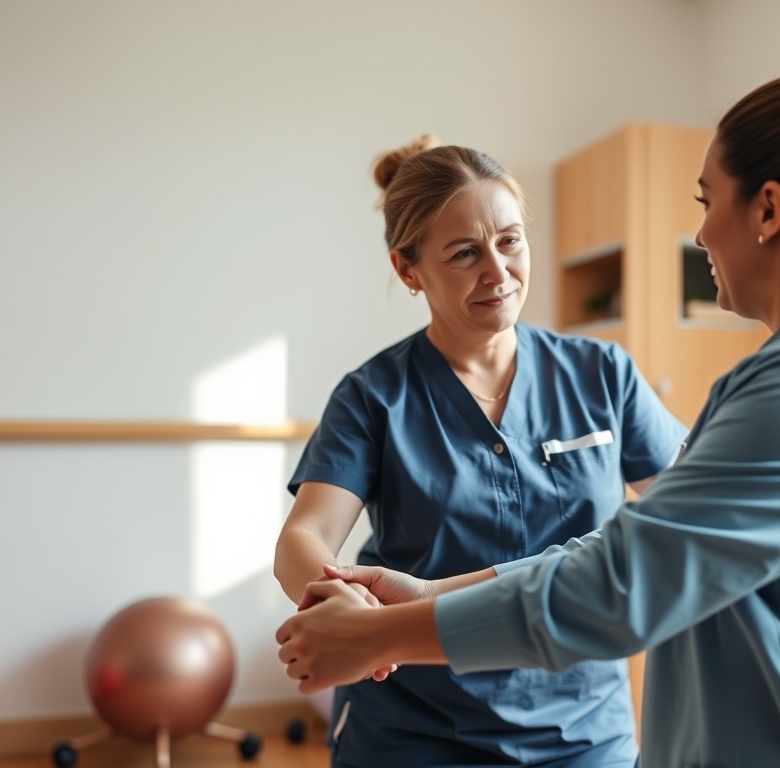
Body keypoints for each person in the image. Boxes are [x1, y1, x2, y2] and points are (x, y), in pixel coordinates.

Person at [277, 51, 780, 768]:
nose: (700, 234)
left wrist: (380, 635)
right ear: (409, 268)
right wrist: (425, 595)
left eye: (706, 202)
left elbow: (622, 580)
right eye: (463, 253)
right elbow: (638, 549)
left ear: (767, 209)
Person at [272, 135, 687, 767]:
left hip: (583, 729)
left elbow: (689, 510)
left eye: (511, 240)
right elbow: (302, 541)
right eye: (465, 253)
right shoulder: (373, 396)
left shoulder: (603, 374)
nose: (498, 271)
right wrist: (352, 615)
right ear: (408, 270)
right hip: (417, 729)